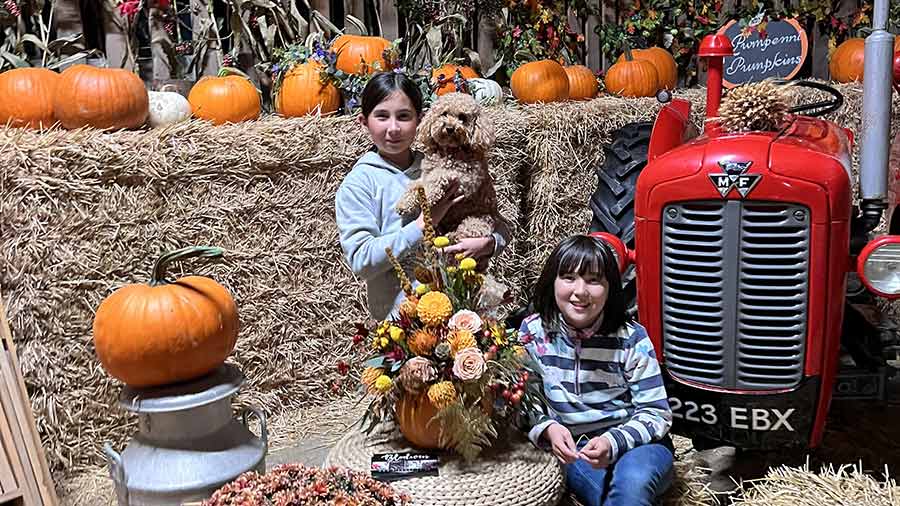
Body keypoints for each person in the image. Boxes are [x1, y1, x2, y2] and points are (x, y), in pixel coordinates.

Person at [335, 72, 510, 320]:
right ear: (364, 122)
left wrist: (490, 243)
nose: (393, 128)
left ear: (420, 119)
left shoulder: (442, 164)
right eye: (382, 116)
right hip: (404, 324)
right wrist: (424, 224)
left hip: (462, 312)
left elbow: (497, 222)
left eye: (404, 117)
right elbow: (362, 260)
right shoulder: (360, 184)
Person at [519, 234, 674, 506]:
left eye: (593, 280)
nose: (580, 291)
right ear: (552, 282)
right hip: (576, 448)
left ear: (610, 287)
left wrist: (613, 442)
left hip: (639, 444)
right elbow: (522, 402)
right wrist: (548, 428)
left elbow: (656, 413)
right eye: (568, 277)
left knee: (631, 487)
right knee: (601, 496)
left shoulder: (631, 338)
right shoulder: (533, 333)